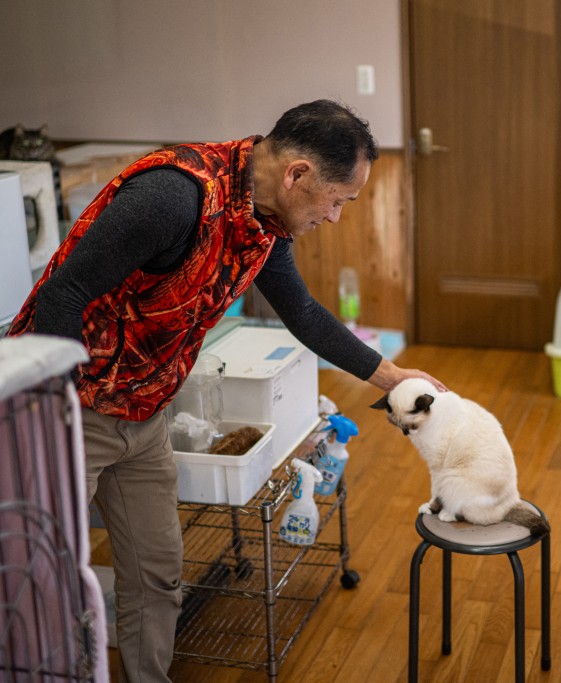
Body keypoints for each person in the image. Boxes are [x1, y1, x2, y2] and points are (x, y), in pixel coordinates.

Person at [5, 99, 444, 682]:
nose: (336, 217)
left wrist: (393, 378)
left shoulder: (261, 224)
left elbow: (304, 314)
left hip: (145, 411)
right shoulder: (174, 196)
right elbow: (64, 293)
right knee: (35, 578)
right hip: (69, 409)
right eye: (338, 199)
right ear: (297, 175)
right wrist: (55, 420)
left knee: (157, 574)